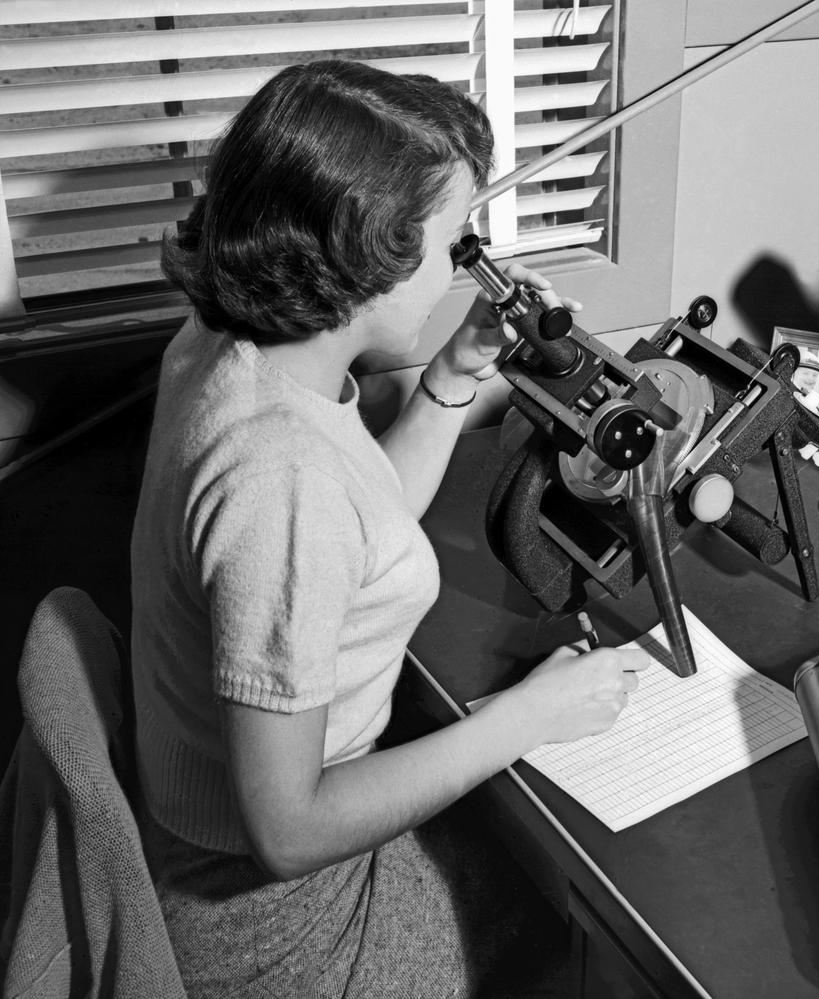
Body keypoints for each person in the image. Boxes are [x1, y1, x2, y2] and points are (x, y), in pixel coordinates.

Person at [130, 59, 649, 997]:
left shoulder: (231, 349)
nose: (463, 270)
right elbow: (287, 832)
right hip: (276, 926)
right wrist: (526, 719)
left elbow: (362, 517)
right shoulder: (276, 476)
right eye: (454, 245)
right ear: (367, 253)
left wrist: (456, 369)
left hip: (233, 859)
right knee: (581, 926)